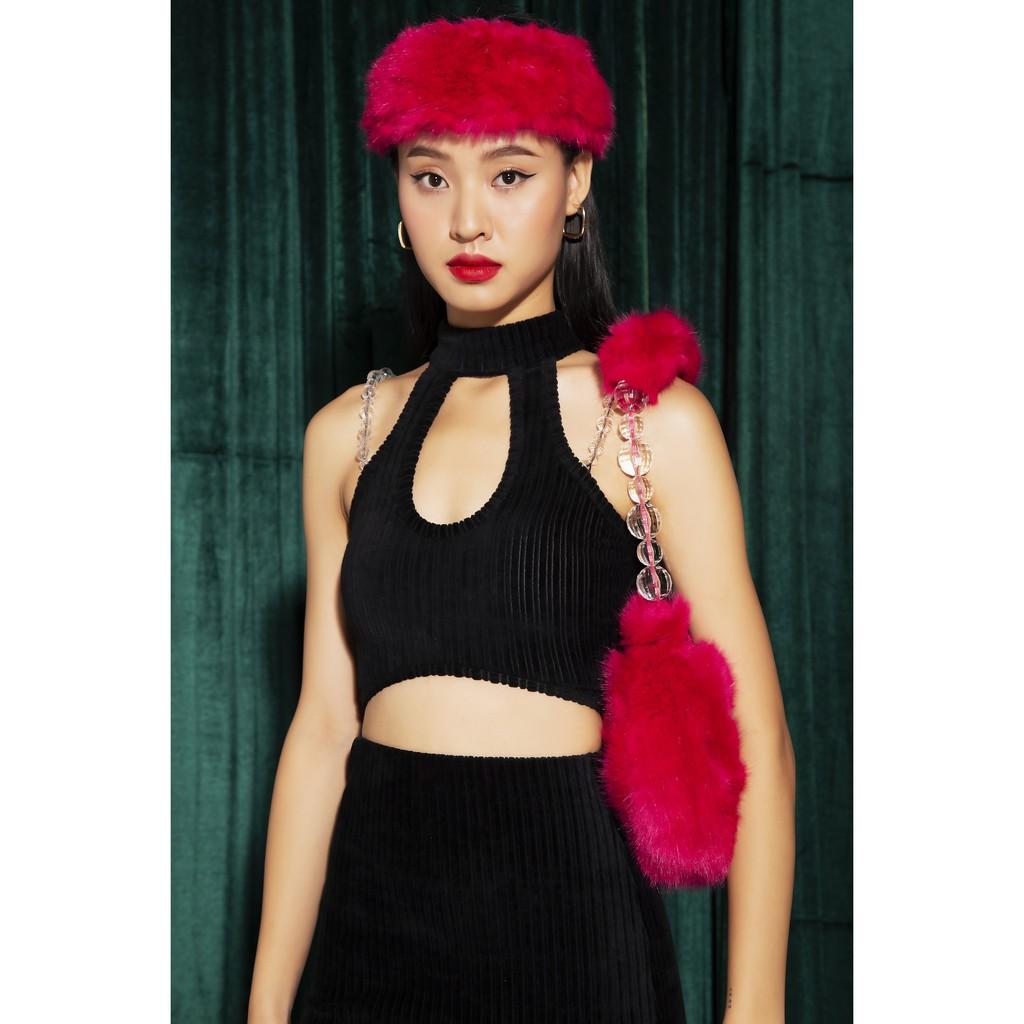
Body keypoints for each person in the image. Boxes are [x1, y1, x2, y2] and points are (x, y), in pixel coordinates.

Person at [248, 14, 796, 1024]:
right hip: (373, 928)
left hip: (575, 934)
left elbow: (753, 730)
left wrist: (754, 1007)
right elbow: (323, 729)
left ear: (575, 183)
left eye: (508, 175)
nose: (466, 220)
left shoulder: (652, 420)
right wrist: (266, 1007)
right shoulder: (344, 435)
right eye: (429, 177)